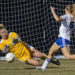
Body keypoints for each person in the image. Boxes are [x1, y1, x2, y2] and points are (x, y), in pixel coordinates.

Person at [37, 4, 75, 71]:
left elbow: (57, 19)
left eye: (65, 10)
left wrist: (53, 11)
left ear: (66, 10)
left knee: (67, 56)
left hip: (63, 39)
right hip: (61, 38)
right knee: (50, 52)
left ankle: (43, 67)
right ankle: (43, 68)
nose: (64, 11)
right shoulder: (73, 18)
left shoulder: (66, 16)